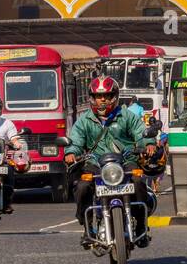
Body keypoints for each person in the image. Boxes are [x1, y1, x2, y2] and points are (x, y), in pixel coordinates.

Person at [65, 76, 156, 248]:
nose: (102, 100)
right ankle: (87, 228)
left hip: (126, 161)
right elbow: (76, 142)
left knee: (138, 182)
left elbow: (140, 133)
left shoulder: (127, 116)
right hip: (95, 164)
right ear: (92, 98)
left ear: (114, 96)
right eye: (99, 96)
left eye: (106, 96)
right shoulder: (84, 120)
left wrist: (148, 144)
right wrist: (71, 153)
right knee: (83, 187)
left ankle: (141, 226)